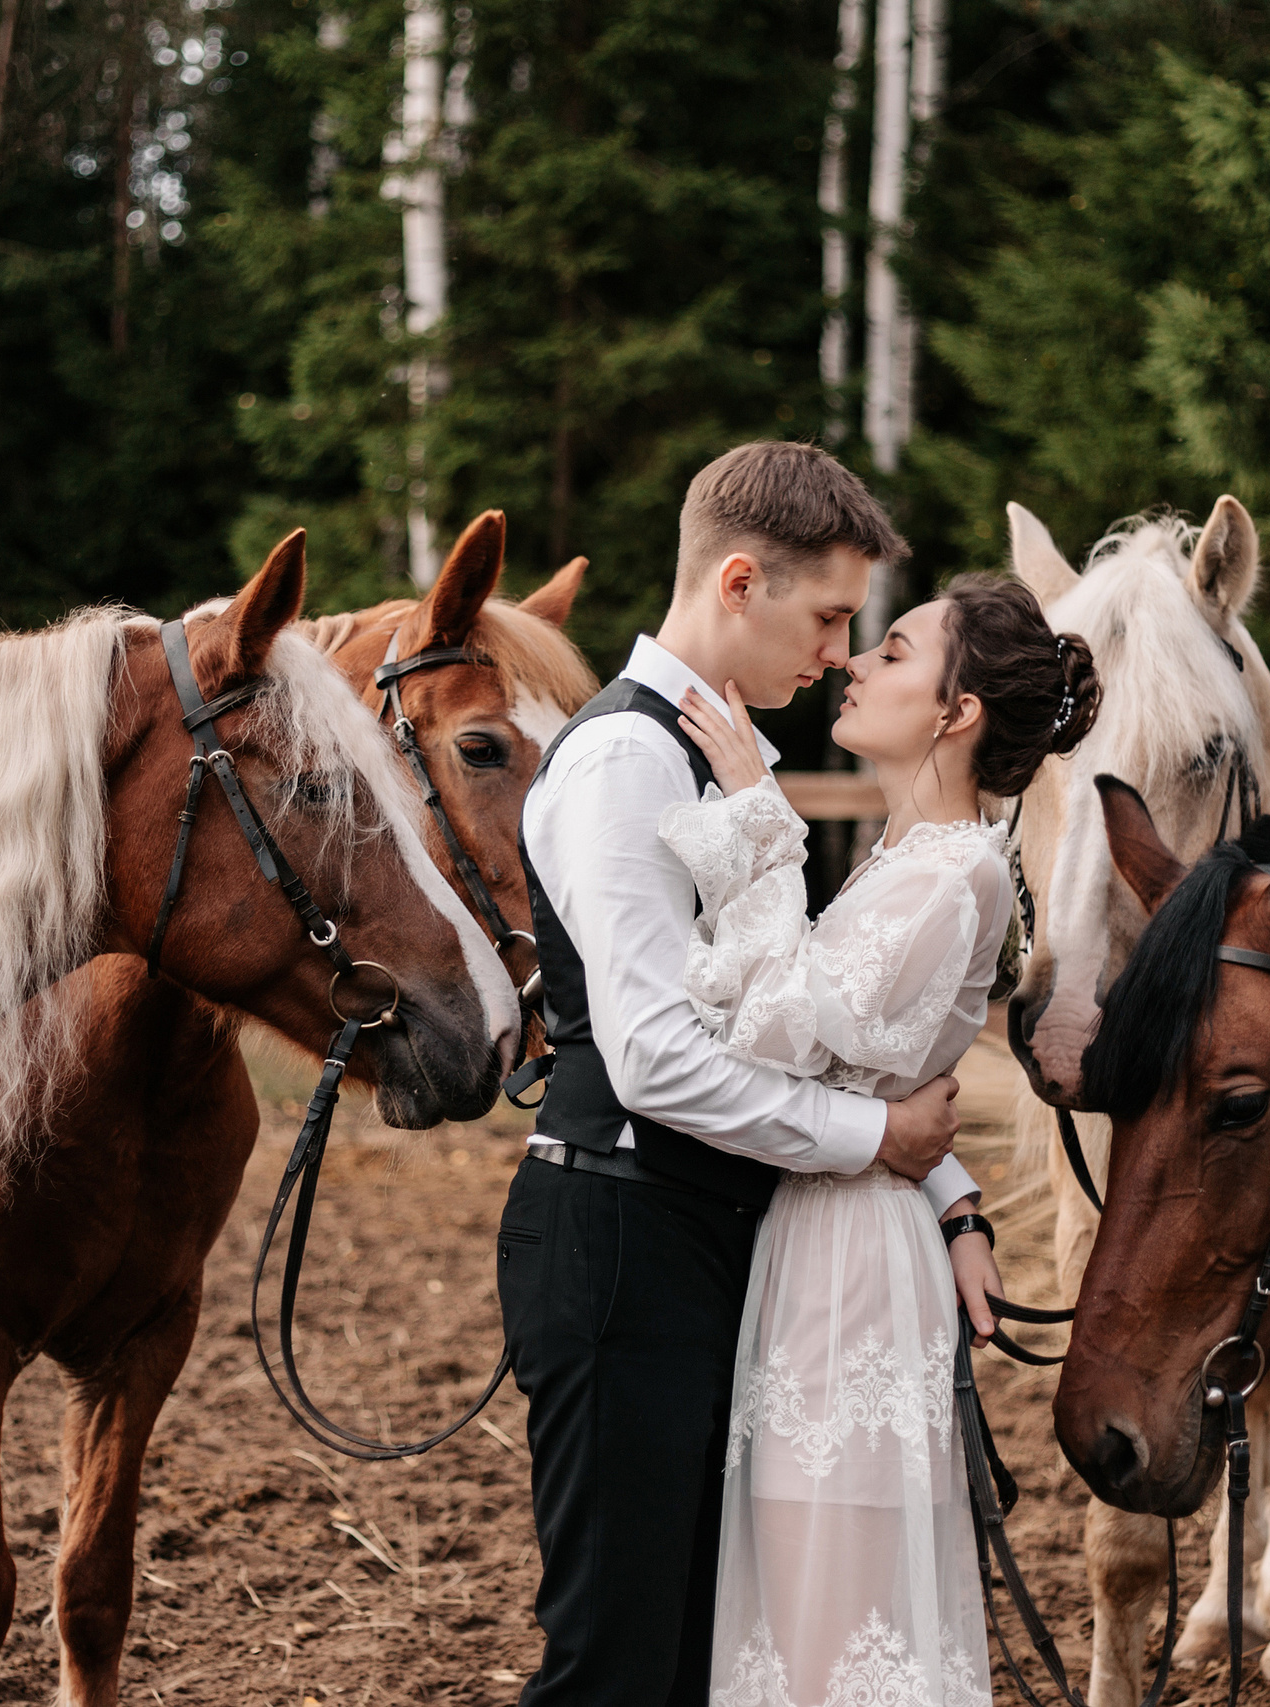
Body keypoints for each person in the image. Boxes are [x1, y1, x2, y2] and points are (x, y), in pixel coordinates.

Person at [497, 442, 965, 1707]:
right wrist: (873, 1139)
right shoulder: (624, 763)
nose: (834, 653)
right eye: (824, 617)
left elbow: (802, 1011)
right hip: (619, 1239)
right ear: (741, 581)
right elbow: (654, 1059)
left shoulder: (724, 752)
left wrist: (946, 1186)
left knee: (702, 1647)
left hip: (707, 1240)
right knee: (617, 1657)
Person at [667, 575, 1100, 1707]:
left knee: (835, 1589)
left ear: (955, 713)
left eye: (894, 653)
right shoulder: (916, 861)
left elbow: (770, 1041)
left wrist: (759, 808)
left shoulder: (952, 872)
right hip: (831, 1232)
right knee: (805, 1582)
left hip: (849, 1257)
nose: (854, 663)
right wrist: (959, 1200)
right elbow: (872, 1072)